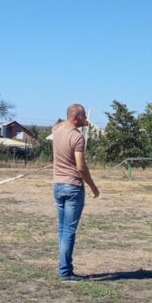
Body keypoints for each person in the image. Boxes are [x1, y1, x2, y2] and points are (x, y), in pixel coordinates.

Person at [51, 103, 100, 280]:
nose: (86, 118)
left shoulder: (56, 129)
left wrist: (82, 123)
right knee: (69, 230)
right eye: (84, 115)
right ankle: (65, 271)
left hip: (57, 185)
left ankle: (64, 268)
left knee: (62, 229)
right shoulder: (77, 137)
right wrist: (93, 186)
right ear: (75, 117)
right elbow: (81, 167)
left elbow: (59, 124)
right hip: (73, 187)